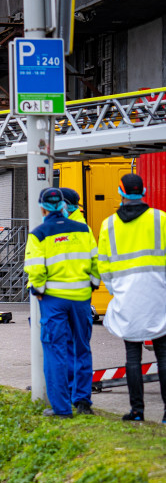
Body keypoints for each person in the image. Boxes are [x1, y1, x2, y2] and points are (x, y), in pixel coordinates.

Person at [25, 186, 100, 417]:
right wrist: (92, 284)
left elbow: (35, 270)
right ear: (64, 206)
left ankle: (61, 408)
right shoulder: (83, 230)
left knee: (55, 351)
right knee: (82, 348)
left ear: (42, 207)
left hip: (54, 300)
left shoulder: (39, 234)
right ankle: (83, 402)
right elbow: (96, 262)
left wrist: (38, 291)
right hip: (81, 299)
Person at [97, 173, 166, 422]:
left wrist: (116, 291)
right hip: (159, 295)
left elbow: (103, 265)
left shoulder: (109, 225)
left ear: (121, 192)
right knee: (164, 355)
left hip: (127, 297)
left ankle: (137, 411)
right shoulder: (161, 219)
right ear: (144, 191)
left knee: (132, 357)